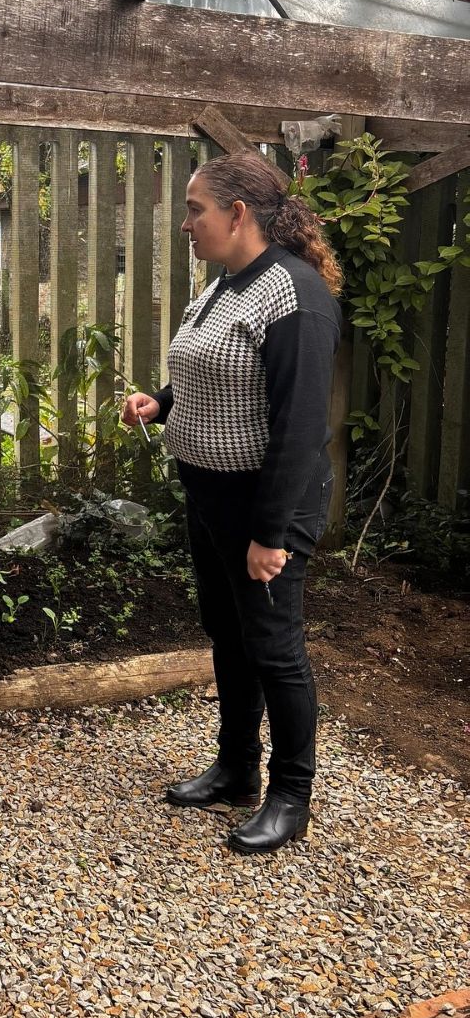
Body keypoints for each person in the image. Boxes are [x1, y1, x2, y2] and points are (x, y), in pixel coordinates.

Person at [122, 150, 342, 855]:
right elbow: (217, 372)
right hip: (211, 495)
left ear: (238, 213)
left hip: (266, 505)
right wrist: (162, 403)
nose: (186, 225)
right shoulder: (226, 284)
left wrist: (270, 535)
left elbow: (300, 427)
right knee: (228, 631)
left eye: (195, 210)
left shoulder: (296, 296)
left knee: (274, 648)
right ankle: (237, 769)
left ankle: (291, 796)